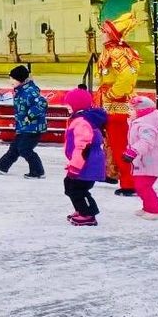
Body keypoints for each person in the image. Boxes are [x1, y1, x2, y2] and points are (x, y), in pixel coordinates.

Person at [95, 13, 141, 196]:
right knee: (110, 140)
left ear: (111, 34)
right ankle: (112, 172)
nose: (101, 35)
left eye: (103, 32)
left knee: (120, 142)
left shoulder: (118, 52)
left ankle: (129, 183)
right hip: (109, 102)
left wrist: (114, 93)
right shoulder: (111, 50)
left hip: (117, 104)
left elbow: (128, 76)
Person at [0, 66, 48, 178]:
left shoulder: (29, 91)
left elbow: (42, 104)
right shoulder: (21, 90)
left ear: (20, 79)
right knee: (15, 147)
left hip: (33, 128)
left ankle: (38, 171)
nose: (10, 81)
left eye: (13, 79)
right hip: (24, 127)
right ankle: (2, 165)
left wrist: (29, 117)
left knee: (25, 149)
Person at [61, 87, 107, 227]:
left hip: (86, 164)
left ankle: (88, 214)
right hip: (84, 163)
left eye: (69, 105)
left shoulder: (81, 122)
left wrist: (75, 166)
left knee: (77, 188)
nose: (67, 108)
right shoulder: (80, 119)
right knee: (70, 186)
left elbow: (82, 146)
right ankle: (81, 209)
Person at [124, 96, 158, 220]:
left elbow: (146, 141)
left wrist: (133, 151)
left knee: (143, 186)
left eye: (132, 110)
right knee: (140, 185)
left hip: (150, 161)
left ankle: (155, 210)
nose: (129, 112)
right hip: (144, 160)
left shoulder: (146, 126)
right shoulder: (139, 123)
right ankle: (148, 207)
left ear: (141, 111)